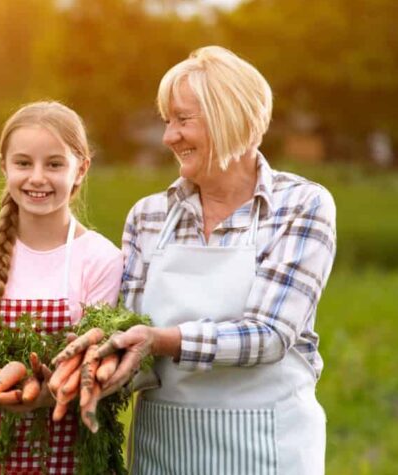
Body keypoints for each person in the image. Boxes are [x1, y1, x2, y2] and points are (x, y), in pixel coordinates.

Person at [82, 46, 336, 473]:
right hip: (164, 451)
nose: (169, 137)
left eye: (183, 120)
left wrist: (161, 340)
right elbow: (127, 332)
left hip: (267, 450)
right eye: (167, 122)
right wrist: (82, 372)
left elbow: (270, 334)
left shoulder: (300, 205)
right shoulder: (149, 217)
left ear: (228, 116)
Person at [0, 101, 125, 474]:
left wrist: (46, 392)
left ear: (81, 169)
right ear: (4, 166)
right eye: (23, 163)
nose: (37, 178)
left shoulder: (102, 257)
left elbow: (92, 362)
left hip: (74, 446)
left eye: (54, 164)